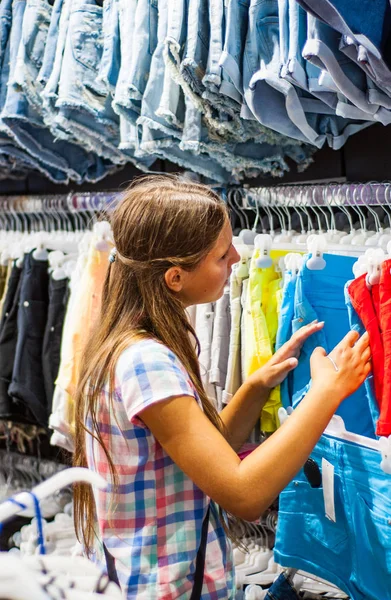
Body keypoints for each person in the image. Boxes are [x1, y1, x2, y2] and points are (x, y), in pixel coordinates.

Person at [73, 175, 371, 600]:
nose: (235, 256)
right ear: (175, 278)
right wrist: (326, 392)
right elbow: (243, 494)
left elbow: (199, 455)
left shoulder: (131, 342)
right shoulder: (147, 361)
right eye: (219, 255)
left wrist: (254, 387)